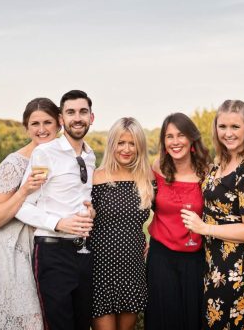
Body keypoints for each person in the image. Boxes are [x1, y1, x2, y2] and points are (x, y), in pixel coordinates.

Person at [181, 100, 244, 329]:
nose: (228, 133)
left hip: (238, 266)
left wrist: (204, 228)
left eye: (235, 127)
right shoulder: (221, 161)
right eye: (222, 127)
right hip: (214, 260)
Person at [15, 90, 97, 330]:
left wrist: (90, 212)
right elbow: (22, 206)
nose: (77, 117)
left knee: (82, 324)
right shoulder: (45, 153)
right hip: (53, 252)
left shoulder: (90, 155)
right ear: (62, 119)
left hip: (83, 252)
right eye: (71, 112)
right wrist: (58, 222)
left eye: (83, 112)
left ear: (92, 117)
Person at [0, 97, 61, 330]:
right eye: (35, 124)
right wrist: (24, 191)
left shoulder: (66, 158)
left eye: (47, 122)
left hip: (54, 243)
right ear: (26, 127)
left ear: (59, 124)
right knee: (28, 319)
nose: (42, 130)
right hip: (18, 248)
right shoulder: (14, 164)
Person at [145, 112, 212, 330]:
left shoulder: (208, 172)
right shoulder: (157, 167)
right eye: (169, 136)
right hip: (161, 257)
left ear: (192, 139)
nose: (175, 142)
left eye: (180, 135)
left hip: (196, 258)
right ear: (164, 142)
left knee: (192, 318)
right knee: (163, 318)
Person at [90, 117, 155, 330]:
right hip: (101, 268)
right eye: (121, 143)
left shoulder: (148, 178)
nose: (126, 149)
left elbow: (167, 214)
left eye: (132, 143)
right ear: (112, 145)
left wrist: (153, 241)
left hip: (132, 268)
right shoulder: (96, 178)